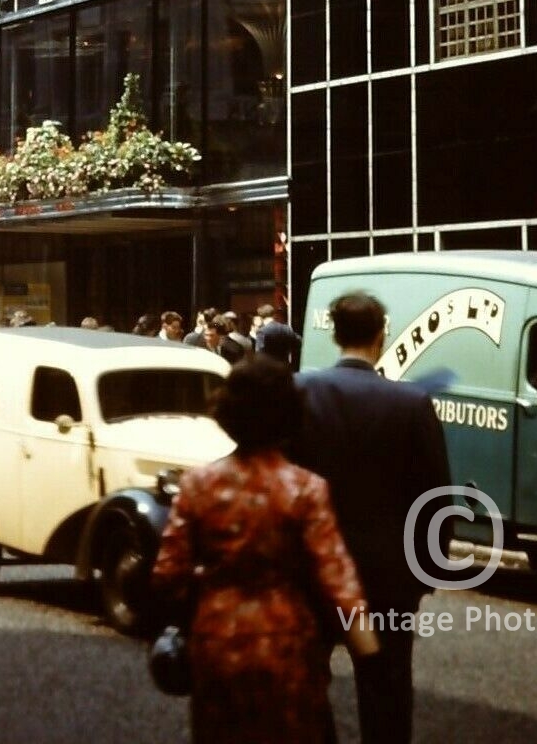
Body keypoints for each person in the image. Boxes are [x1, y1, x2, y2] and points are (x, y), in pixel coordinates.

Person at [151, 355, 377, 742]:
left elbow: (168, 573)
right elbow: (334, 573)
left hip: (217, 637)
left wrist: (200, 595)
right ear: (288, 415)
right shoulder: (305, 488)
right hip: (286, 638)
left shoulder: (198, 485)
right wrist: (365, 644)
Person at [294, 291, 450, 744]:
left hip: (313, 570)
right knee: (386, 692)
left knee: (306, 687)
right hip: (386, 578)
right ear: (381, 335)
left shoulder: (300, 392)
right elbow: (436, 497)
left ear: (336, 334)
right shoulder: (411, 403)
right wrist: (428, 569)